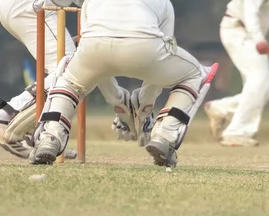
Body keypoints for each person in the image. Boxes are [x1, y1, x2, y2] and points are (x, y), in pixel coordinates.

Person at [29, 0, 218, 168]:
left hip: (94, 46)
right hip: (144, 46)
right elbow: (160, 64)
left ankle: (50, 137)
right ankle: (165, 134)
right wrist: (145, 108)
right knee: (197, 74)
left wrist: (118, 102)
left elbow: (96, 65)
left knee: (69, 81)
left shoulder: (88, 3)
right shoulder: (165, 4)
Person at [0, 0, 154, 161]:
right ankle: (4, 120)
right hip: (30, 7)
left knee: (70, 72)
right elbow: (95, 55)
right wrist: (120, 104)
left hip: (22, 6)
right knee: (73, 75)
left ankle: (27, 129)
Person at [203, 0, 269, 147]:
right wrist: (258, 38)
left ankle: (221, 108)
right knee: (258, 81)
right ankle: (236, 133)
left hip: (243, 31)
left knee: (263, 90)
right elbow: (250, 8)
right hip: (240, 30)